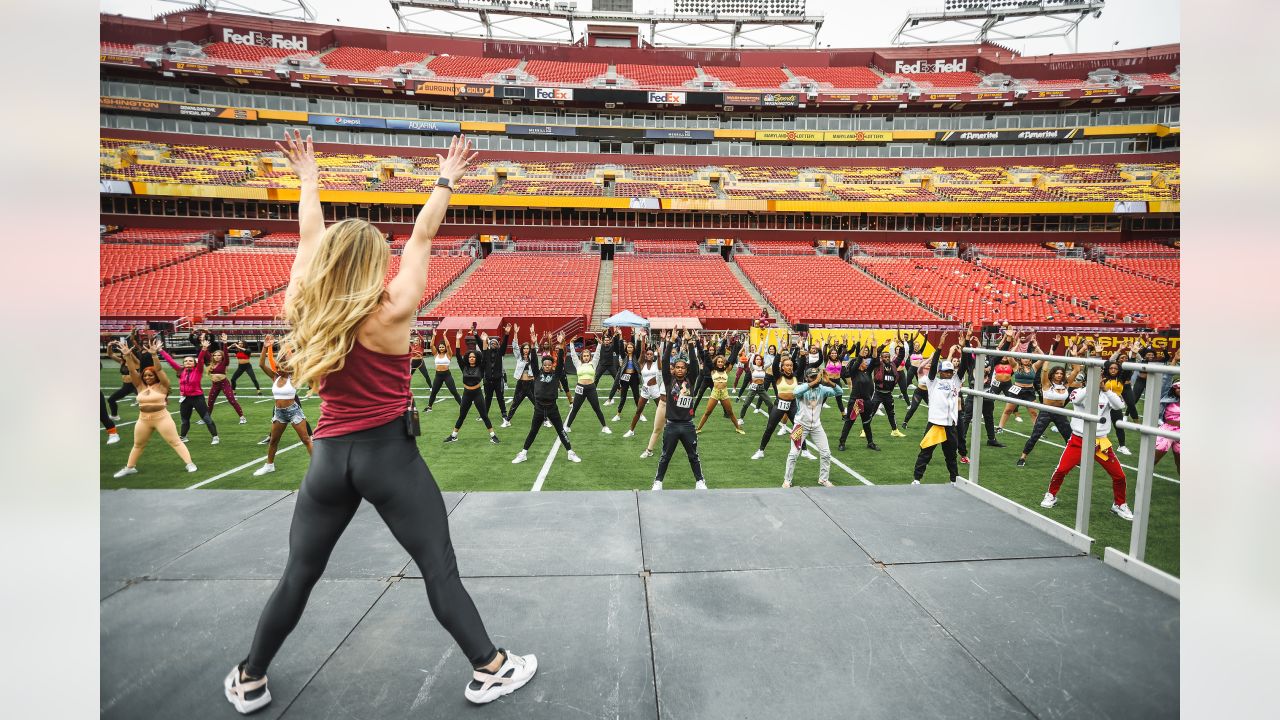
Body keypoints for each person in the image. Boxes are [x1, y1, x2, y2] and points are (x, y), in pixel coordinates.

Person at [226, 133, 534, 715]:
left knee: (300, 573)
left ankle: (249, 677)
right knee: (438, 568)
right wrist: (445, 177)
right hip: (388, 456)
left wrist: (310, 179)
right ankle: (490, 668)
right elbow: (422, 236)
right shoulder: (393, 309)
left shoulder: (302, 304)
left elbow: (309, 236)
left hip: (327, 458)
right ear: (372, 264)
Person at [1038, 371, 1134, 521]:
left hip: (1100, 442)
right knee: (1062, 469)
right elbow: (1076, 399)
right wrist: (1091, 386)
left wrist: (1106, 390)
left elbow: (1119, 405)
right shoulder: (1079, 391)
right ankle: (1051, 494)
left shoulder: (1107, 394)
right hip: (1079, 440)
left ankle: (1119, 504)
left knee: (1119, 475)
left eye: (1101, 379)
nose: (1099, 382)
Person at [111, 338, 197, 477]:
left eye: (150, 375)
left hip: (162, 418)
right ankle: (130, 467)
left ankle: (190, 463)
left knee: (175, 442)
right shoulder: (140, 386)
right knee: (138, 445)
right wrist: (127, 356)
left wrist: (154, 355)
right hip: (143, 419)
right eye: (145, 375)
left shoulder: (163, 386)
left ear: (155, 376)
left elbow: (159, 369)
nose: (147, 377)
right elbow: (133, 371)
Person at [512, 333, 582, 465]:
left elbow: (561, 362)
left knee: (561, 431)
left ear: (552, 365)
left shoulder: (556, 376)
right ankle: (523, 453)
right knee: (533, 431)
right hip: (538, 407)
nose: (548, 366)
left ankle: (570, 452)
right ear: (543, 366)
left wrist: (561, 345)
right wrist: (533, 345)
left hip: (552, 408)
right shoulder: (537, 374)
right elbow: (533, 361)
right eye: (545, 365)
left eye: (550, 365)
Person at [252, 334, 313, 476]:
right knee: (273, 440)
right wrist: (265, 348)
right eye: (279, 366)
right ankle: (269, 465)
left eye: (283, 366)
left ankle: (318, 468)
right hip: (279, 413)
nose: (280, 367)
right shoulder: (275, 377)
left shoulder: (294, 377)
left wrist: (289, 352)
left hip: (293, 411)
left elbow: (297, 364)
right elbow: (261, 364)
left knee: (306, 440)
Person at [1016, 339, 1081, 467]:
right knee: (1035, 436)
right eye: (1056, 373)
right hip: (1046, 411)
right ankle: (1022, 457)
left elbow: (1076, 370)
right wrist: (1049, 357)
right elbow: (1045, 370)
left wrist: (1074, 356)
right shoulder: (1046, 383)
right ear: (1052, 374)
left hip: (1060, 412)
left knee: (1069, 437)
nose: (1059, 375)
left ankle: (1074, 459)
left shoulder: (1065, 384)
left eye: (1061, 373)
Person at [651, 341, 706, 491]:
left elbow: (694, 363)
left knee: (693, 456)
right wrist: (669, 343)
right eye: (677, 367)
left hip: (688, 425)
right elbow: (665, 359)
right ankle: (658, 482)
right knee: (665, 456)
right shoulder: (669, 381)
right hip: (672, 425)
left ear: (686, 370)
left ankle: (700, 481)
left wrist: (690, 345)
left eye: (683, 368)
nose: (680, 370)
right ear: (673, 369)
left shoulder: (691, 380)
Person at [912, 331, 962, 485]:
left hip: (950, 425)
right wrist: (940, 346)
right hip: (935, 424)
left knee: (951, 455)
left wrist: (964, 346)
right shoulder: (933, 382)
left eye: (950, 371)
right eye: (945, 371)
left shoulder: (956, 382)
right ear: (940, 372)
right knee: (926, 453)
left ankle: (954, 479)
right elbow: (933, 366)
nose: (948, 374)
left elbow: (965, 365)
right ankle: (916, 479)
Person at [783, 367, 839, 488]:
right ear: (806, 378)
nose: (816, 379)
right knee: (793, 454)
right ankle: (787, 480)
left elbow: (839, 392)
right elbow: (795, 393)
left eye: (816, 376)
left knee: (826, 453)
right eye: (812, 377)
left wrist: (828, 381)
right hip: (800, 426)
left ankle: (823, 479)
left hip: (816, 426)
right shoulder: (801, 388)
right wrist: (814, 381)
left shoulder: (822, 389)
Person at [159, 336, 219, 445]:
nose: (188, 362)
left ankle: (215, 436)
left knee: (206, 418)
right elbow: (170, 361)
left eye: (190, 361)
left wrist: (204, 349)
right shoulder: (181, 371)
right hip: (185, 399)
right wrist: (160, 350)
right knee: (184, 420)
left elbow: (200, 360)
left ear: (194, 363)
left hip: (197, 398)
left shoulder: (198, 370)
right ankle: (183, 436)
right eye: (185, 361)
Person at [444, 329, 500, 445]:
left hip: (477, 393)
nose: (472, 358)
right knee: (462, 415)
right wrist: (458, 339)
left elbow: (485, 356)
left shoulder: (481, 367)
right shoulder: (463, 367)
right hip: (466, 394)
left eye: (474, 357)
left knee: (484, 415)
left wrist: (484, 341)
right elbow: (458, 355)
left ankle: (493, 435)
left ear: (476, 358)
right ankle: (453, 436)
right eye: (470, 357)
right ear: (468, 358)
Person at [564, 332, 612, 434]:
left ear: (590, 356)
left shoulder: (593, 364)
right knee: (575, 408)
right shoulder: (578, 364)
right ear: (582, 356)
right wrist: (571, 344)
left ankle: (604, 427)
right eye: (584, 355)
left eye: (587, 355)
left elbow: (598, 355)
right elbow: (573, 355)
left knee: (597, 408)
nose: (586, 357)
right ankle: (567, 427)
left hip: (591, 388)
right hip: (580, 388)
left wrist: (599, 344)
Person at [694, 352, 746, 435]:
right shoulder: (713, 370)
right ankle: (698, 428)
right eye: (719, 362)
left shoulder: (726, 370)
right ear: (716, 362)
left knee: (730, 412)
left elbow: (730, 362)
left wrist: (723, 358)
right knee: (707, 412)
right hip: (715, 392)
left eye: (722, 362)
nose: (720, 363)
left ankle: (738, 428)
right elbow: (707, 360)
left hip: (724, 393)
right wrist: (705, 350)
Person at [206, 341, 248, 425]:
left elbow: (226, 353)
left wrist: (225, 343)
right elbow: (206, 354)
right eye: (215, 355)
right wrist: (204, 347)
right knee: (210, 402)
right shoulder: (212, 364)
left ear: (222, 356)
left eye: (219, 355)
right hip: (215, 385)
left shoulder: (224, 363)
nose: (217, 357)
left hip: (224, 383)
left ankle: (242, 417)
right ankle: (207, 418)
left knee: (232, 400)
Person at [478, 325, 511, 424]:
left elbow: (504, 344)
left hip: (498, 380)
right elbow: (481, 344)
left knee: (500, 398)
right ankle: (484, 415)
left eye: (495, 343)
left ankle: (504, 415)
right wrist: (476, 335)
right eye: (491, 343)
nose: (493, 344)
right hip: (488, 380)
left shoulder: (500, 353)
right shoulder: (486, 353)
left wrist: (507, 334)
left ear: (497, 345)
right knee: (487, 398)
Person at [504, 324, 537, 426]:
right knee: (515, 403)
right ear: (522, 349)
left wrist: (532, 333)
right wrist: (515, 333)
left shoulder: (532, 356)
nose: (526, 350)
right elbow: (515, 346)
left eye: (527, 348)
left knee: (537, 403)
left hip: (531, 383)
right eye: (524, 348)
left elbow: (535, 347)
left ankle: (545, 420)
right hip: (521, 384)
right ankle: (507, 421)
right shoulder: (519, 357)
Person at [424, 329, 463, 412]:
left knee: (454, 391)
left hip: (447, 375)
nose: (441, 348)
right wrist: (434, 335)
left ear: (445, 348)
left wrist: (444, 336)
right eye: (440, 347)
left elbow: (448, 345)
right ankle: (429, 406)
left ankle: (462, 406)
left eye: (443, 347)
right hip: (438, 375)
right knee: (434, 392)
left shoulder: (448, 354)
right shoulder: (436, 354)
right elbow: (431, 345)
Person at [1154, 381, 1181, 471]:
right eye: (1178, 387)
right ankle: (1142, 482)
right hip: (1166, 430)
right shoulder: (1167, 398)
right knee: (1153, 459)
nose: (1180, 390)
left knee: (1180, 464)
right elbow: (1165, 379)